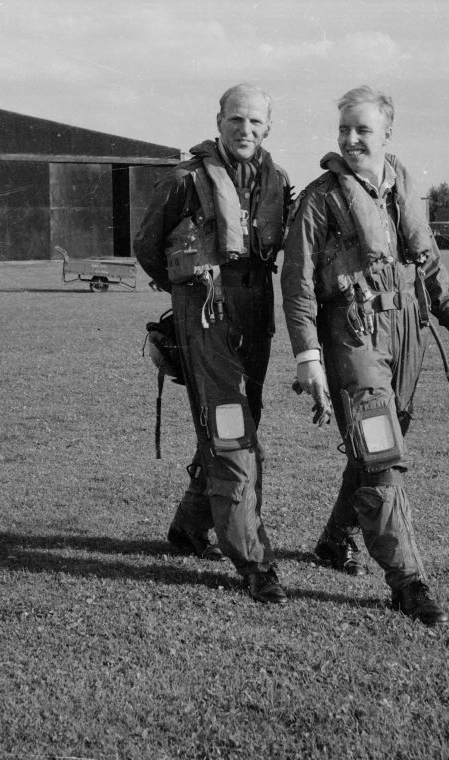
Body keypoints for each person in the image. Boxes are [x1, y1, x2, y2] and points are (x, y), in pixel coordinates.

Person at [280, 86, 449, 626]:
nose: (351, 139)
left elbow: (431, 267)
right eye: (344, 129)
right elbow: (298, 285)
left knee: (379, 446)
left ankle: (334, 541)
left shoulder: (402, 188)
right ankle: (409, 582)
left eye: (363, 130)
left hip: (407, 340)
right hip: (353, 337)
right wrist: (309, 357)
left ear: (386, 133)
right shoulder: (319, 199)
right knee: (381, 454)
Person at [133, 84, 292, 605]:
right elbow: (148, 246)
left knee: (244, 420)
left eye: (255, 122)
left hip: (255, 315)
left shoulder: (279, 180)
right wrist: (185, 294)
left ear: (268, 127)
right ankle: (253, 561)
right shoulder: (186, 180)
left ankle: (187, 526)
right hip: (205, 314)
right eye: (236, 120)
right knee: (230, 431)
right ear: (218, 121)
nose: (245, 130)